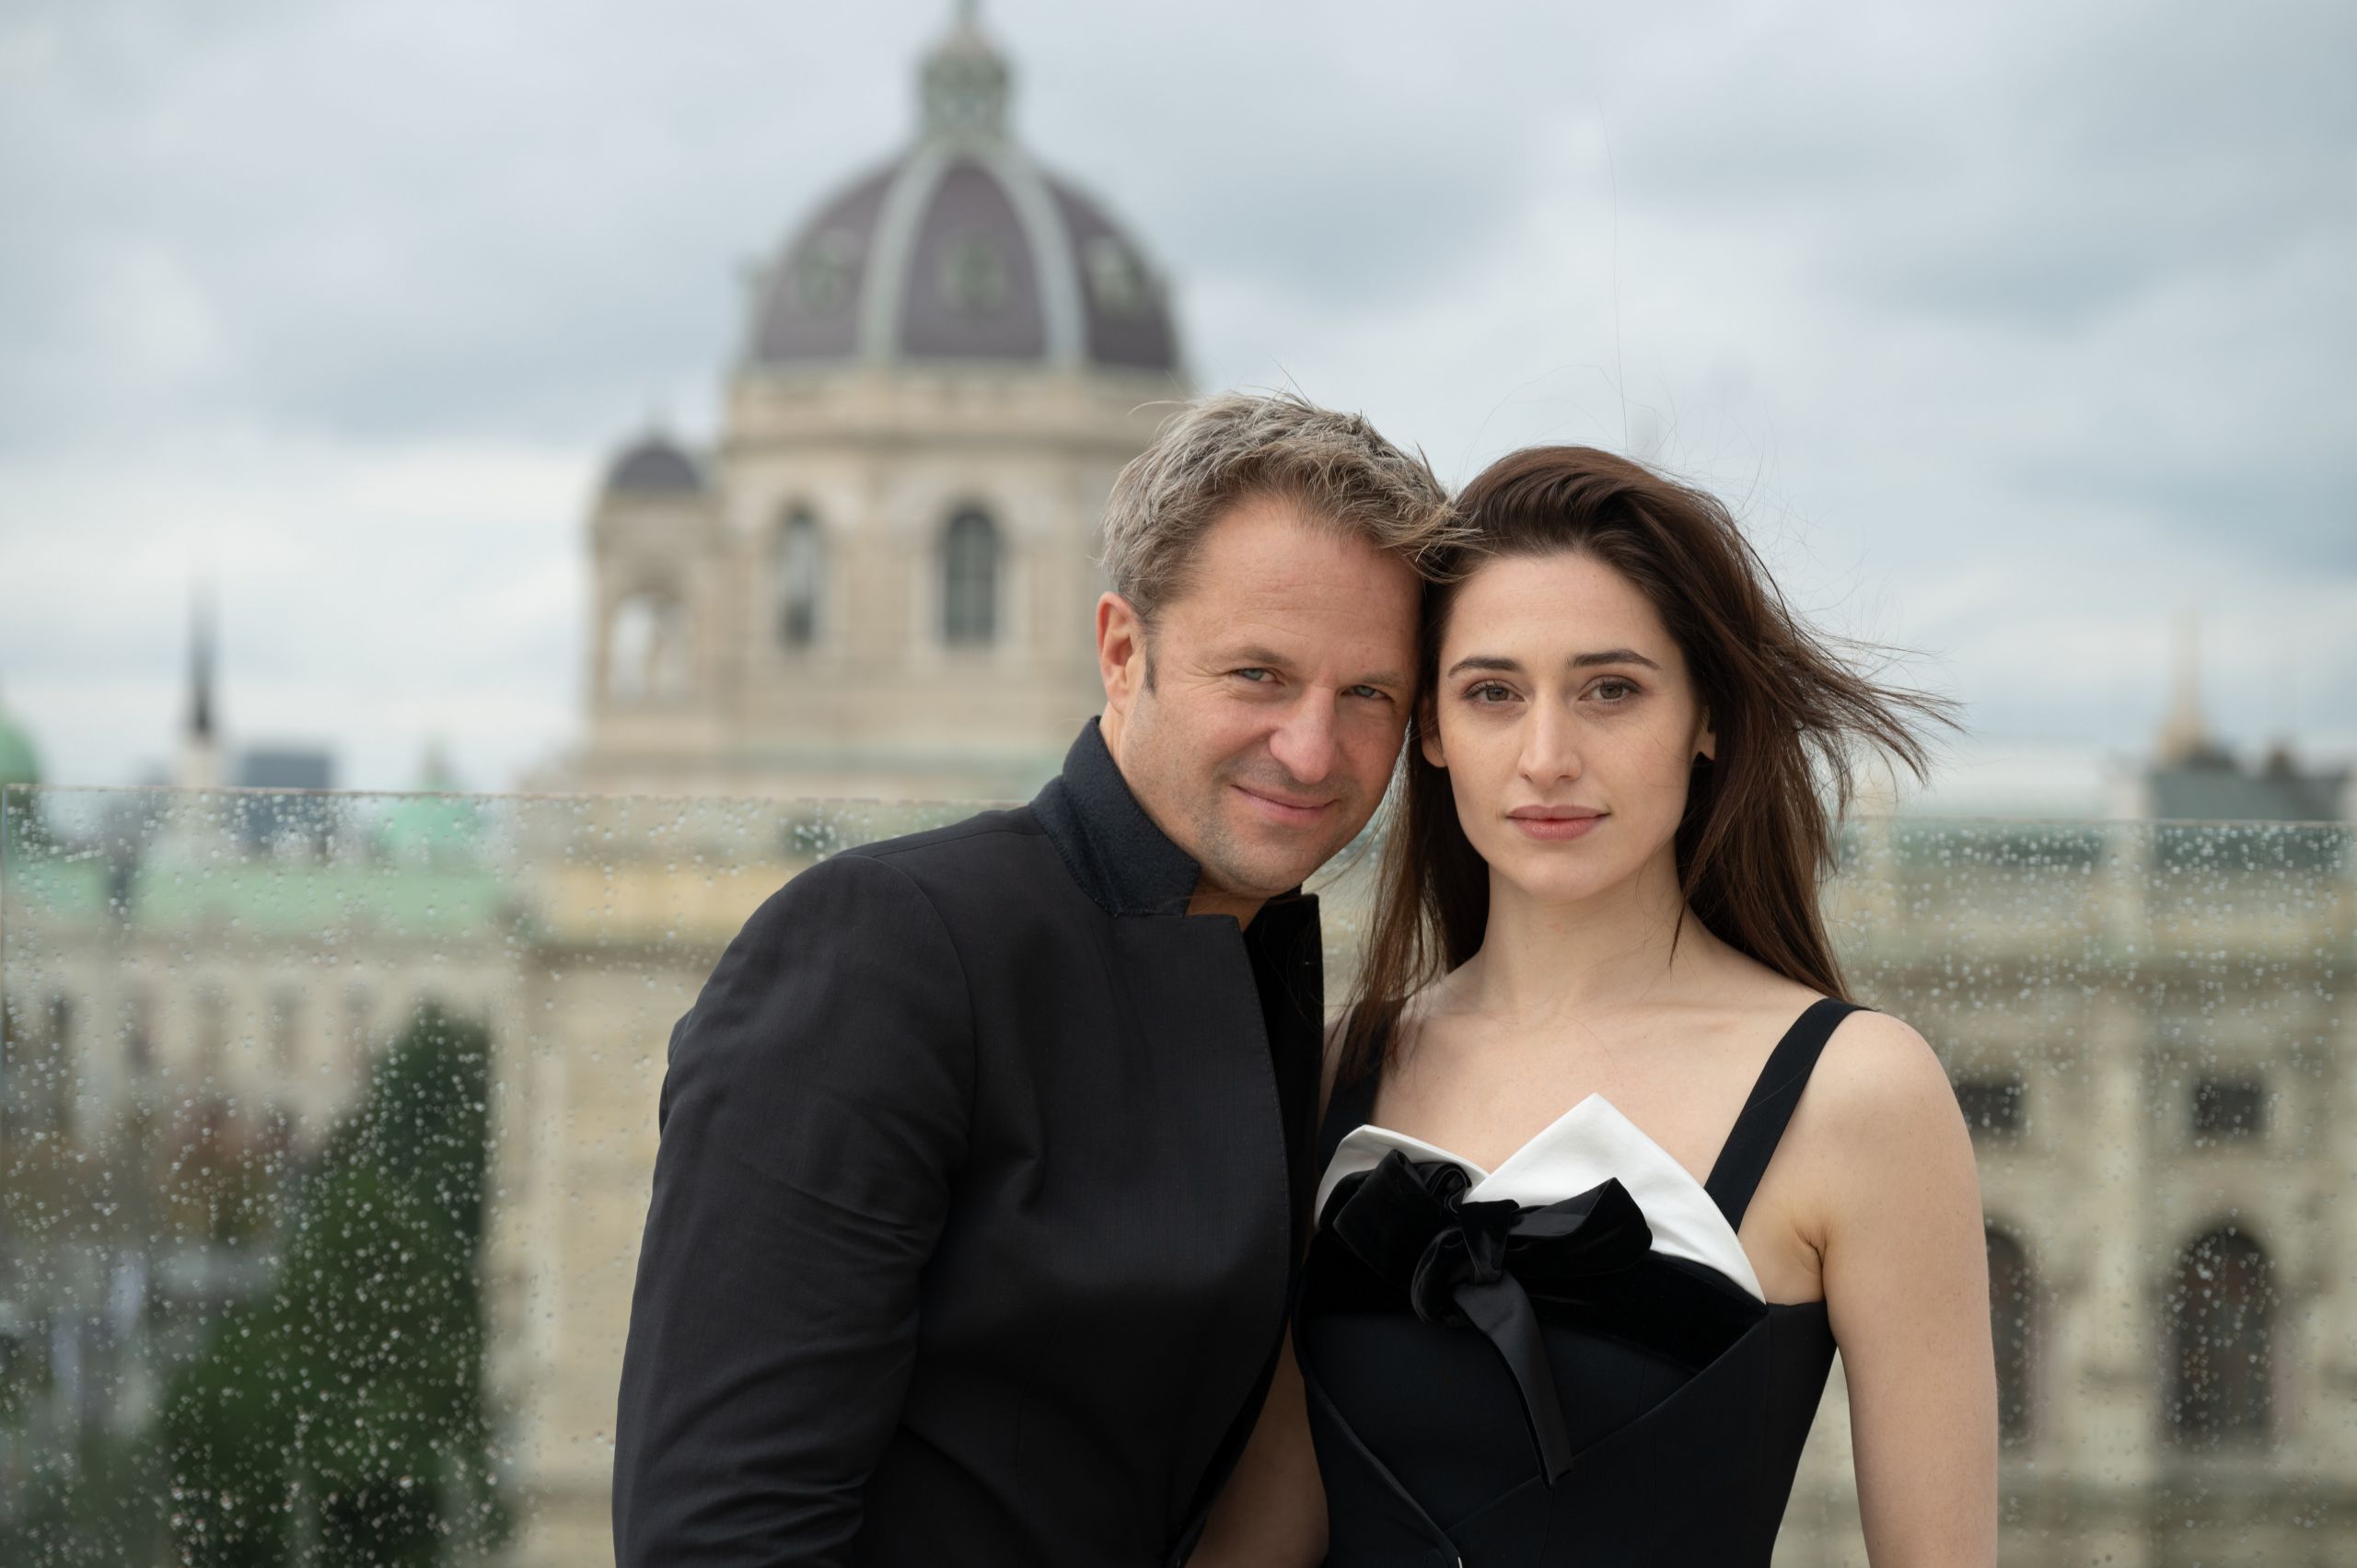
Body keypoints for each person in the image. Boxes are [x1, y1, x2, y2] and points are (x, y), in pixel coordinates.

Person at [610, 391, 1457, 1567]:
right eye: (1257, 673)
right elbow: (722, 1533)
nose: (1312, 749)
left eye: (1367, 692)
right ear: (1121, 651)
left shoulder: (1263, 976)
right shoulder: (883, 944)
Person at [1192, 446, 1996, 1565]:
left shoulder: (1855, 1094)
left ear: (1706, 715)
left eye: (1610, 689)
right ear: (1432, 731)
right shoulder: (1331, 1067)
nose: (1547, 757)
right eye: (1492, 692)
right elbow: (1267, 1525)